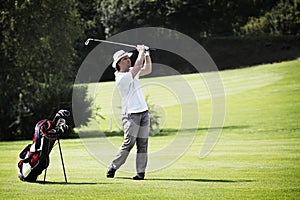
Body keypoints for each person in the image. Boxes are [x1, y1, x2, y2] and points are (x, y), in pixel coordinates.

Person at [106, 45, 152, 180]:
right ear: (118, 63)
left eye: (128, 58)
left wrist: (147, 55)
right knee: (129, 142)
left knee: (143, 143)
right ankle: (114, 166)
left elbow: (147, 69)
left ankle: (140, 173)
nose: (128, 60)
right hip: (131, 114)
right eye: (125, 59)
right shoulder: (121, 78)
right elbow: (138, 66)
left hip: (144, 112)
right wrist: (141, 52)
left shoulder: (132, 71)